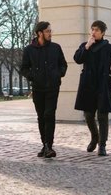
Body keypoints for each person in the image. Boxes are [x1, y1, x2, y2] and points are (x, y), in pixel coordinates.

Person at [21, 21, 67, 158]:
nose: (50, 33)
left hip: (53, 87)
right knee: (41, 116)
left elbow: (63, 64)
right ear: (40, 33)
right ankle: (45, 145)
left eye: (50, 31)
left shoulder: (56, 48)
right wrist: (33, 77)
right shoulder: (29, 50)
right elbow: (24, 68)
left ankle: (49, 146)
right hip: (38, 88)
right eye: (47, 31)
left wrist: (58, 74)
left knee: (49, 114)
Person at [74, 20, 111, 156]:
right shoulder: (85, 46)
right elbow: (77, 59)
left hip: (103, 84)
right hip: (88, 84)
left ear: (103, 32)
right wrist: (87, 46)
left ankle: (102, 145)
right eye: (92, 29)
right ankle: (95, 137)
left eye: (97, 30)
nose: (93, 32)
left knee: (102, 115)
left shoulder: (109, 49)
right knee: (88, 115)